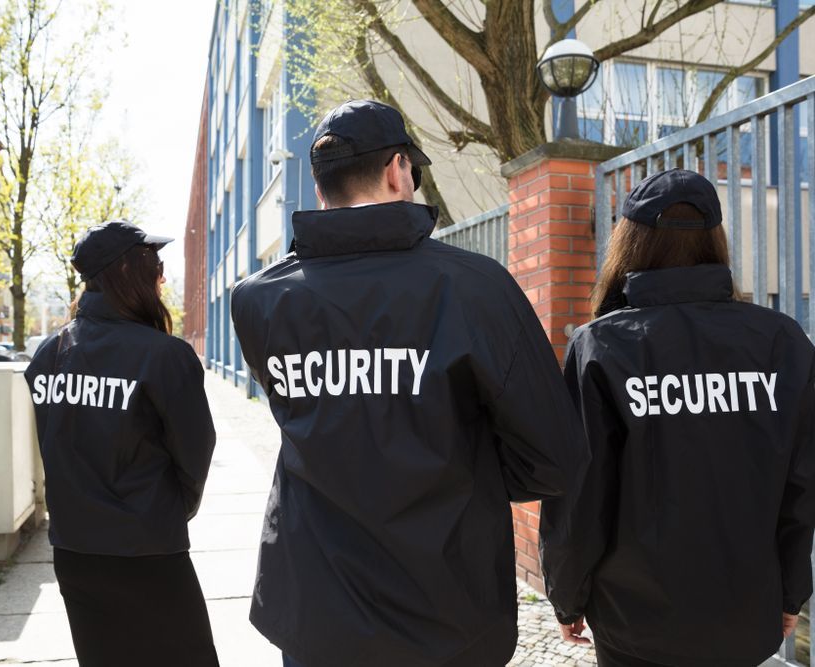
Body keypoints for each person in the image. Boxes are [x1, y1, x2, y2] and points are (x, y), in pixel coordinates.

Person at [230, 99, 588, 667]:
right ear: (399, 170)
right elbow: (556, 457)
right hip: (448, 613)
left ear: (321, 190)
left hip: (316, 612)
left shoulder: (258, 300)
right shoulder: (476, 288)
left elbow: (308, 416)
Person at [540, 169, 815, 666]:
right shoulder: (781, 341)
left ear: (629, 242)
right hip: (742, 611)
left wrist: (567, 594)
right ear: (716, 240)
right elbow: (801, 487)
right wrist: (790, 593)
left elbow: (579, 495)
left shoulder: (603, 345)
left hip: (633, 619)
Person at [24, 221, 219, 666]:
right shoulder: (163, 355)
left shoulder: (48, 355)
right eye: (156, 265)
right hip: (147, 551)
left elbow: (54, 448)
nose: (163, 278)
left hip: (75, 552)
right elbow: (195, 454)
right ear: (128, 270)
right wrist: (168, 509)